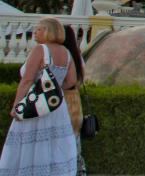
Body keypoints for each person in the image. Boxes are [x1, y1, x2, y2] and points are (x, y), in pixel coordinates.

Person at [0, 17, 78, 175]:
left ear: (49, 32)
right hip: (56, 105)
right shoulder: (66, 52)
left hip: (34, 102)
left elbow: (27, 80)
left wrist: (16, 105)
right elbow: (71, 81)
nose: (35, 32)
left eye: (40, 29)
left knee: (30, 143)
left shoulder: (40, 49)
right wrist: (54, 88)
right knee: (53, 143)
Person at [63, 25, 88, 176]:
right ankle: (77, 168)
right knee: (74, 138)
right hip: (75, 100)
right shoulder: (77, 57)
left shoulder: (63, 56)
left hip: (63, 98)